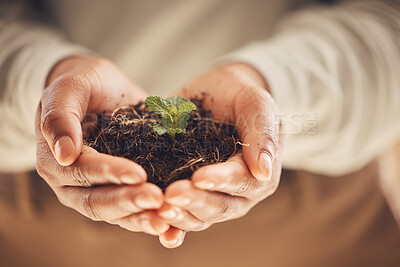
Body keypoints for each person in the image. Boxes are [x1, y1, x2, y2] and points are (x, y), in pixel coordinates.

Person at [0, 0, 400, 265]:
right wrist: (45, 80)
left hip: (313, 208)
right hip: (40, 209)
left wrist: (270, 83)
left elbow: (387, 27)